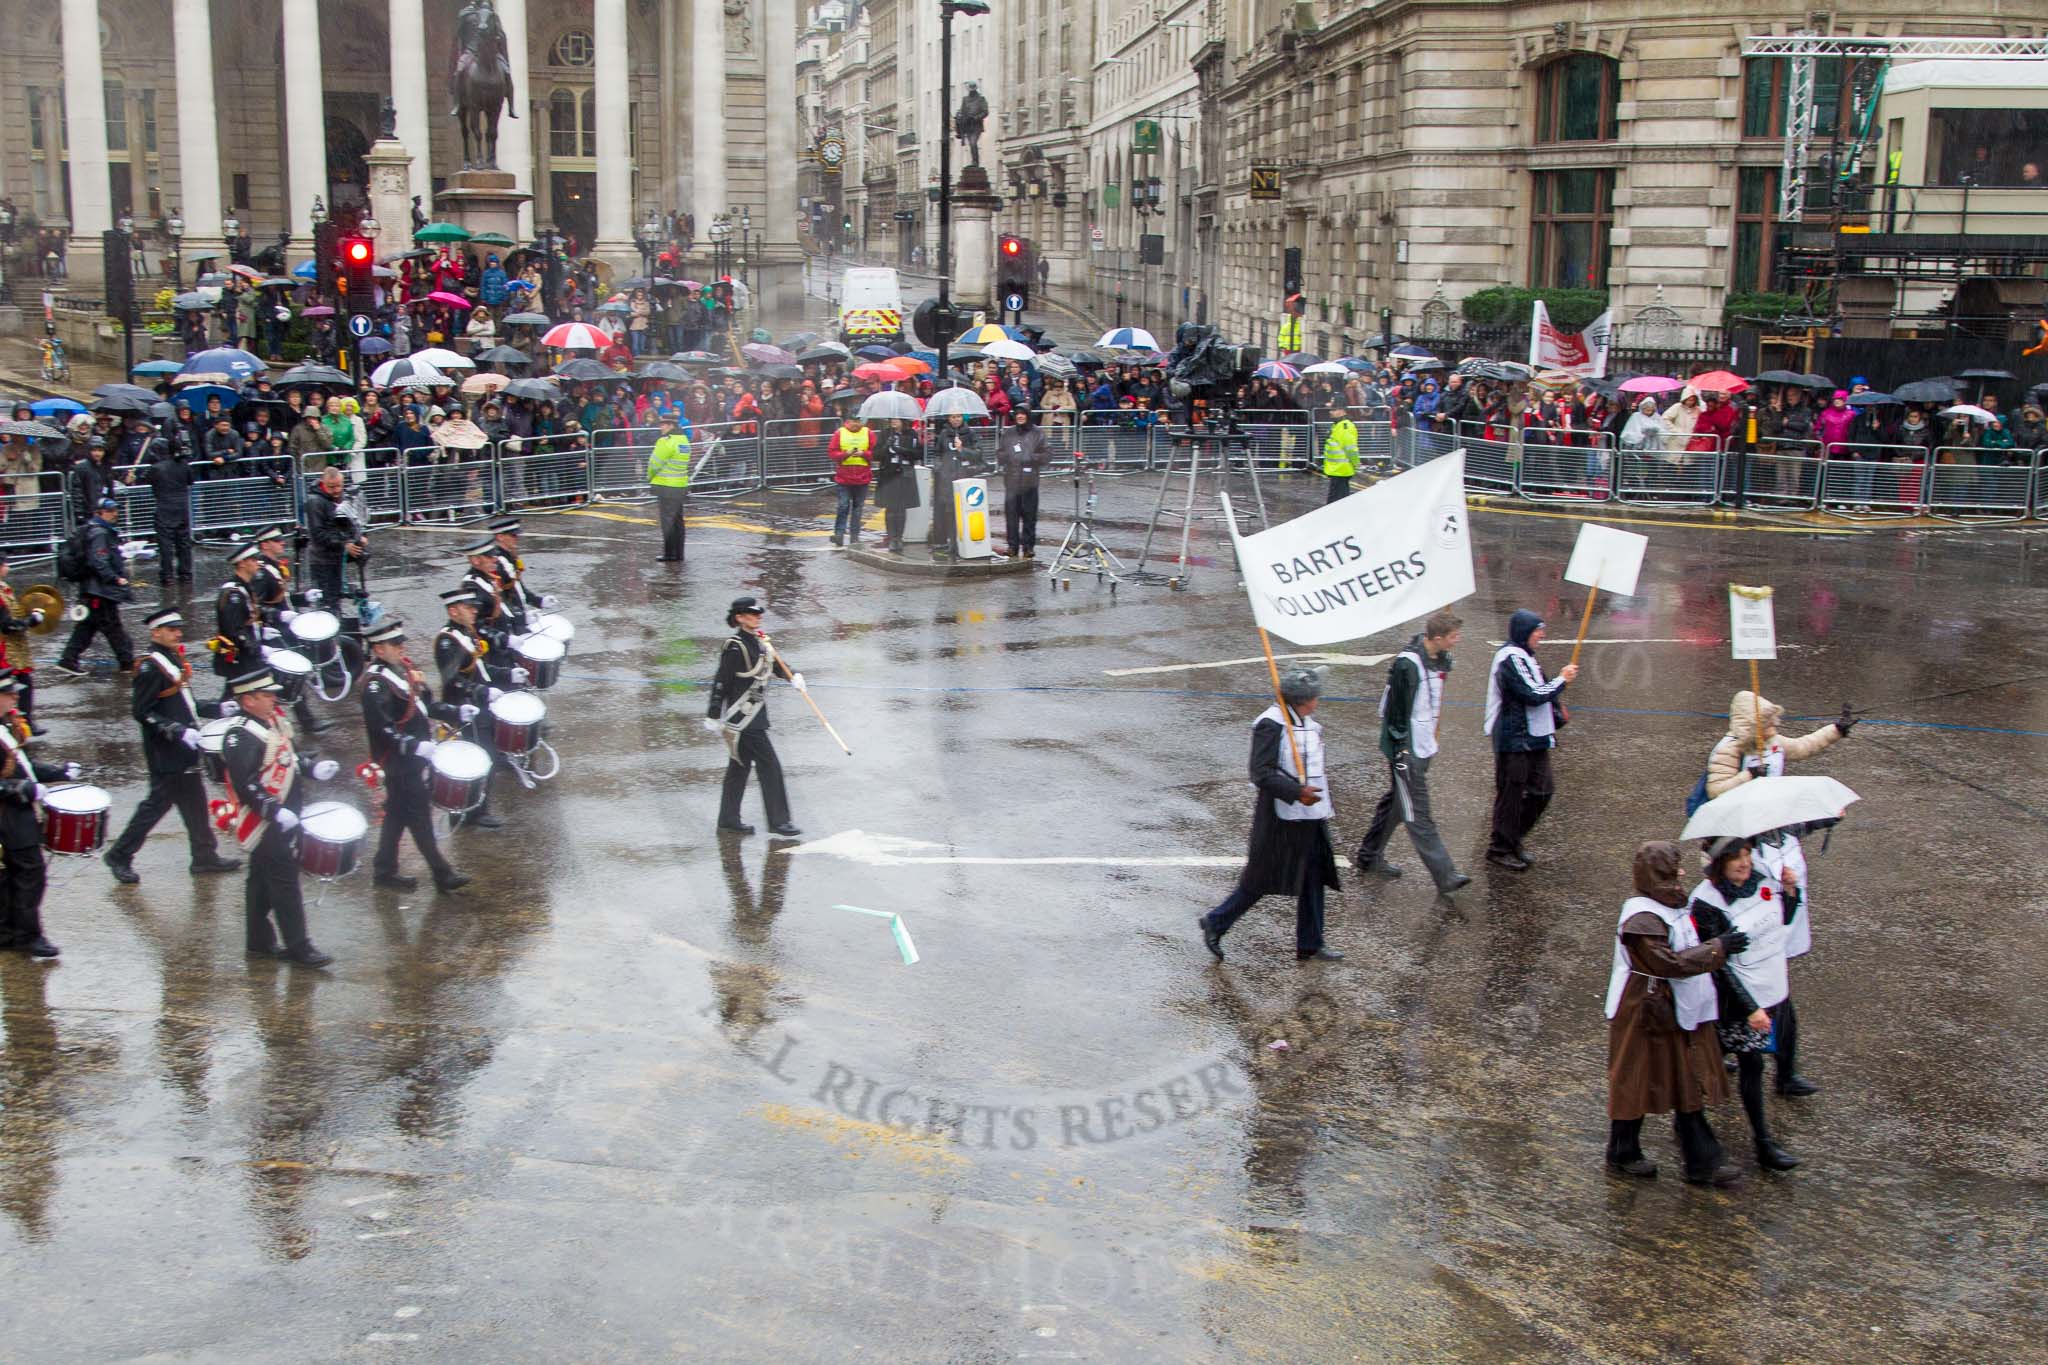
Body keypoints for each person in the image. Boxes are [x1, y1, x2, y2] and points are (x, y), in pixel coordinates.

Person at [1604, 840, 1748, 1186]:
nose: (1682, 872)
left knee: (1666, 1078)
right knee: (1640, 1079)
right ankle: (1696, 1159)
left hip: (1670, 1007)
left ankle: (1629, 1150)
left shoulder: (1667, 905)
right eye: (1674, 866)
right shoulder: (1641, 918)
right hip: (1647, 1009)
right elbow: (1666, 962)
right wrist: (1717, 949)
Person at [1197, 667, 1344, 963]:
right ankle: (1217, 921)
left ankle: (1311, 943)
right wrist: (1294, 790)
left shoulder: (1307, 723)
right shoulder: (1270, 724)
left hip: (1311, 814)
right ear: (1301, 700)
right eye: (1314, 697)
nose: (1317, 702)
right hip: (1281, 818)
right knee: (1260, 880)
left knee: (1313, 877)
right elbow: (1261, 772)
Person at [103, 607, 244, 885]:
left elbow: (185, 704)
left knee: (195, 803)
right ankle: (119, 854)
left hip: (184, 747)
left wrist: (217, 709)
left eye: (178, 629)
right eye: (171, 630)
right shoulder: (149, 666)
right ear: (156, 633)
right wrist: (175, 730)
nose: (178, 633)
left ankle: (204, 856)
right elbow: (142, 712)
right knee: (155, 807)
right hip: (166, 752)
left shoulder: (172, 659)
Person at [1687, 838, 1802, 1172]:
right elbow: (1718, 964)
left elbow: (1780, 922)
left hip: (1769, 991)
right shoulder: (1707, 902)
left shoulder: (1764, 880)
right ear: (1719, 862)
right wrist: (1750, 1007)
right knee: (1738, 1065)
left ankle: (1759, 1141)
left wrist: (1791, 893)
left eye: (1747, 855)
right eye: (1736, 858)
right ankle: (1759, 1143)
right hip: (1736, 1002)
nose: (1744, 863)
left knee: (1744, 1063)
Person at [217, 665, 340, 968]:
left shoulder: (273, 723)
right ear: (248, 700)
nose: (274, 699)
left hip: (284, 815)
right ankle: (300, 946)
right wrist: (273, 810)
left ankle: (258, 940)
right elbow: (245, 784)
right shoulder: (241, 735)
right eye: (266, 694)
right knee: (285, 882)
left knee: (260, 880)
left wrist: (312, 769)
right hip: (267, 820)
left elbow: (288, 758)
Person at [1351, 610, 1472, 896]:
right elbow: (1394, 714)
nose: (1458, 641)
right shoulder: (1408, 665)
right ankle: (1445, 874)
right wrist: (1402, 750)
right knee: (1417, 812)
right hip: (1407, 750)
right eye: (1454, 637)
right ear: (1438, 638)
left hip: (1423, 745)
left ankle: (1369, 856)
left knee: (1396, 804)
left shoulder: (1435, 657)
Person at [361, 619, 473, 892]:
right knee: (419, 817)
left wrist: (456, 712)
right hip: (398, 762)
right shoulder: (375, 684)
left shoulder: (402, 670)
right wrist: (413, 746)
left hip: (413, 759)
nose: (401, 647)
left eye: (401, 642)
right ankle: (441, 873)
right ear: (378, 649)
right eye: (394, 644)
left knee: (397, 815)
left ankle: (384, 870)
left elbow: (426, 706)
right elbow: (382, 728)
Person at [1482, 609, 1576, 871]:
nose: (1542, 635)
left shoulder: (1526, 657)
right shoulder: (1509, 658)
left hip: (1534, 737)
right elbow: (1532, 694)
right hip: (1513, 738)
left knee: (1542, 791)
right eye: (1538, 630)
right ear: (1524, 632)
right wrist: (1562, 680)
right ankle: (1500, 847)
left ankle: (1512, 839)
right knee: (1510, 795)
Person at [703, 596, 802, 837]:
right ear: (740, 617)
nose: (758, 617)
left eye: (758, 614)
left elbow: (775, 665)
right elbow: (721, 681)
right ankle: (779, 821)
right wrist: (714, 713)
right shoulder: (735, 646)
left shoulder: (759, 641)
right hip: (745, 719)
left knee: (739, 768)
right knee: (770, 767)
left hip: (752, 716)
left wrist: (794, 676)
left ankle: (728, 819)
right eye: (752, 614)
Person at [0, 676, 83, 958]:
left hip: (15, 812)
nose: (15, 698)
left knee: (13, 876)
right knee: (29, 873)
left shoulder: (4, 725)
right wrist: (23, 789)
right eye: (9, 694)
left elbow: (23, 765)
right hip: (8, 817)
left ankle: (9, 932)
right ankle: (28, 936)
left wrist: (57, 772)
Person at [433, 586, 515, 830]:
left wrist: (510, 674)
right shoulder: (448, 640)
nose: (473, 612)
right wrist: (482, 691)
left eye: (473, 608)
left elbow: (482, 669)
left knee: (486, 757)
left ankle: (474, 810)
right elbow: (454, 681)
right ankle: (469, 812)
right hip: (465, 707)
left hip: (480, 705)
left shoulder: (467, 633)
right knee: (479, 759)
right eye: (468, 608)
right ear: (453, 611)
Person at [53, 498, 136, 676]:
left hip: (92, 590)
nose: (115, 513)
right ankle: (127, 663)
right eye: (110, 510)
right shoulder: (100, 533)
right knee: (113, 627)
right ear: (99, 512)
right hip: (100, 591)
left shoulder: (98, 531)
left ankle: (68, 660)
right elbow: (98, 561)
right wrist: (115, 579)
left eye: (115, 509)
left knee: (87, 627)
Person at [302, 468, 365, 616]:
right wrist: (344, 545)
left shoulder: (340, 498)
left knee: (335, 599)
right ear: (323, 483)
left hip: (335, 558)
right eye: (332, 487)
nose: (336, 490)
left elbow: (347, 524)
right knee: (326, 604)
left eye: (339, 486)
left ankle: (337, 624)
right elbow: (318, 534)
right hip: (322, 561)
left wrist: (357, 537)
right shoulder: (315, 502)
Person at [0, 551, 48, 733]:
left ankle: (23, 721)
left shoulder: (3, 587)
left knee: (20, 681)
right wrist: (31, 621)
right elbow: (6, 624)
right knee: (16, 683)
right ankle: (22, 722)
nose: (7, 567)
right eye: (4, 564)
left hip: (11, 645)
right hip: (5, 647)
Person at [485, 519, 557, 629]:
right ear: (500, 537)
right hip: (509, 624)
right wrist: (520, 617)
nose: (516, 538)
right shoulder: (497, 563)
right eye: (513, 535)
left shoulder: (510, 557)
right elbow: (501, 598)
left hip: (517, 616)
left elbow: (518, 588)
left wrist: (539, 601)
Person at [999, 409, 1048, 558]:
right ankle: (1012, 546)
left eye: (1023, 414)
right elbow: (1000, 453)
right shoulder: (1008, 433)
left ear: (1028, 415)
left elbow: (1047, 455)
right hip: (1012, 480)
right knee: (1011, 515)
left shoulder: (1037, 433)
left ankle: (1028, 547)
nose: (1020, 416)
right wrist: (1010, 456)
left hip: (1030, 481)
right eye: (1018, 414)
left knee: (1029, 515)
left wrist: (1030, 457)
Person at [647, 411, 692, 563]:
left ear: (671, 425)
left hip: (665, 486)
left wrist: (649, 478)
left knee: (668, 521)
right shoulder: (684, 440)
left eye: (663, 424)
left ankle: (669, 553)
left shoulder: (665, 442)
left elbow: (654, 464)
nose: (661, 427)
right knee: (678, 521)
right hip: (680, 486)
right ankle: (679, 553)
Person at [872, 417, 922, 553]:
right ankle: (892, 538)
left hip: (905, 475)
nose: (893, 422)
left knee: (901, 508)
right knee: (890, 508)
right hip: (889, 475)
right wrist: (886, 446)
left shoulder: (911, 434)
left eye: (896, 419)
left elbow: (918, 453)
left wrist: (902, 450)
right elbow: (875, 455)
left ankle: (899, 538)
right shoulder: (885, 434)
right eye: (891, 419)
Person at [828, 413, 873, 547]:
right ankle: (839, 534)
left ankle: (854, 536)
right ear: (847, 421)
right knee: (843, 506)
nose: (855, 424)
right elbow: (832, 452)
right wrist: (845, 454)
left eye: (858, 421)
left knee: (858, 508)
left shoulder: (868, 433)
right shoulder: (839, 433)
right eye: (853, 421)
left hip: (862, 477)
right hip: (844, 478)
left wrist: (864, 454)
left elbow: (875, 452)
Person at [1321, 402, 1359, 502]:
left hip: (1341, 469)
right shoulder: (1338, 425)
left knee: (1336, 500)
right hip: (1337, 470)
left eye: (1334, 410)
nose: (1330, 412)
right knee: (1338, 500)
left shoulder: (1344, 426)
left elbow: (1350, 448)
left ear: (1342, 411)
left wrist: (1356, 463)